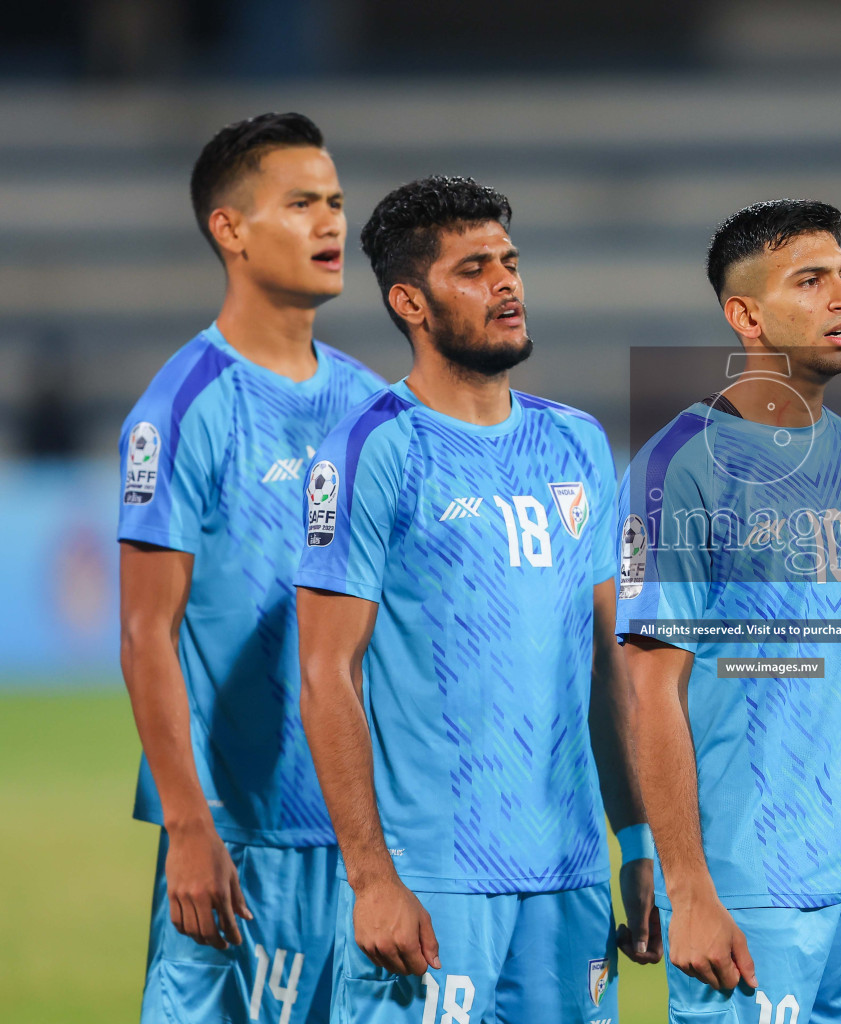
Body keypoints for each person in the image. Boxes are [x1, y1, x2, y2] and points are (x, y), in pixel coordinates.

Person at [295, 175, 656, 1024]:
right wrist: (373, 877)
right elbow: (326, 674)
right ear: (410, 302)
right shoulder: (369, 451)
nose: (506, 283)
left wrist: (638, 841)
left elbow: (609, 667)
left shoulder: (575, 442)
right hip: (432, 881)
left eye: (510, 261)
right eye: (473, 269)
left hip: (567, 880)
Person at [617, 199, 841, 1024]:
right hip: (752, 886)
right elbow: (649, 690)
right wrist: (689, 888)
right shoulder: (680, 469)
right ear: (747, 315)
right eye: (812, 280)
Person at [118, 112, 383, 1024]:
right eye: (302, 203)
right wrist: (189, 826)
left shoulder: (371, 405)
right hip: (240, 837)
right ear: (228, 228)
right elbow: (145, 630)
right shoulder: (182, 408)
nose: (332, 225)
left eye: (338, 203)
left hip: (364, 838)